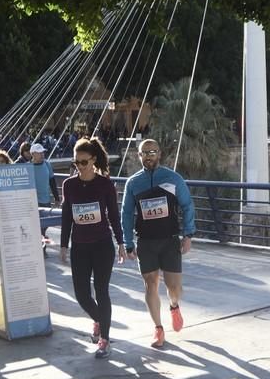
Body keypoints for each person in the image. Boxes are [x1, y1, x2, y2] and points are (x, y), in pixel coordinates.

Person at [121, 139, 196, 348]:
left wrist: (188, 235)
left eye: (152, 152)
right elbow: (126, 214)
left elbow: (188, 205)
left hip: (169, 240)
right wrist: (128, 242)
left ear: (159, 154)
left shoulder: (173, 178)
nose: (149, 156)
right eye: (144, 153)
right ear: (139, 156)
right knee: (150, 284)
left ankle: (174, 306)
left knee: (174, 287)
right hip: (145, 241)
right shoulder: (133, 183)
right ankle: (158, 329)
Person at [61, 138, 126, 359]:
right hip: (79, 246)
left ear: (93, 160)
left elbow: (114, 217)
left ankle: (104, 339)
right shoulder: (68, 185)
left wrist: (121, 242)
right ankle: (99, 319)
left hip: (102, 245)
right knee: (81, 294)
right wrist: (63, 245)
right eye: (76, 162)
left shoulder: (105, 184)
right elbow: (67, 216)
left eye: (84, 161)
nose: (79, 166)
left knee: (101, 290)